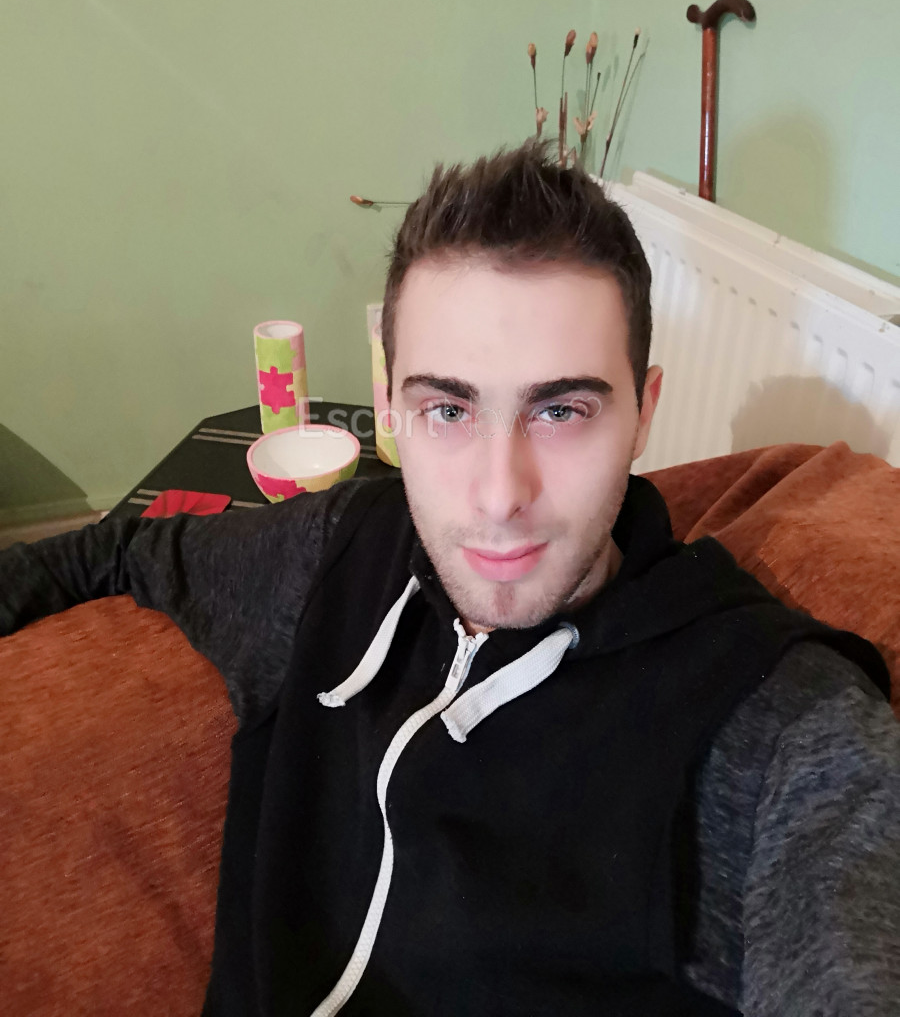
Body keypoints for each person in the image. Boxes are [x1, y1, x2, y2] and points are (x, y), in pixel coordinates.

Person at [2, 142, 899, 1016]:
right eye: (448, 409)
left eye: (561, 410)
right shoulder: (334, 552)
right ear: (391, 408)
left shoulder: (776, 726)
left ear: (643, 414)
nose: (500, 495)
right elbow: (116, 551)